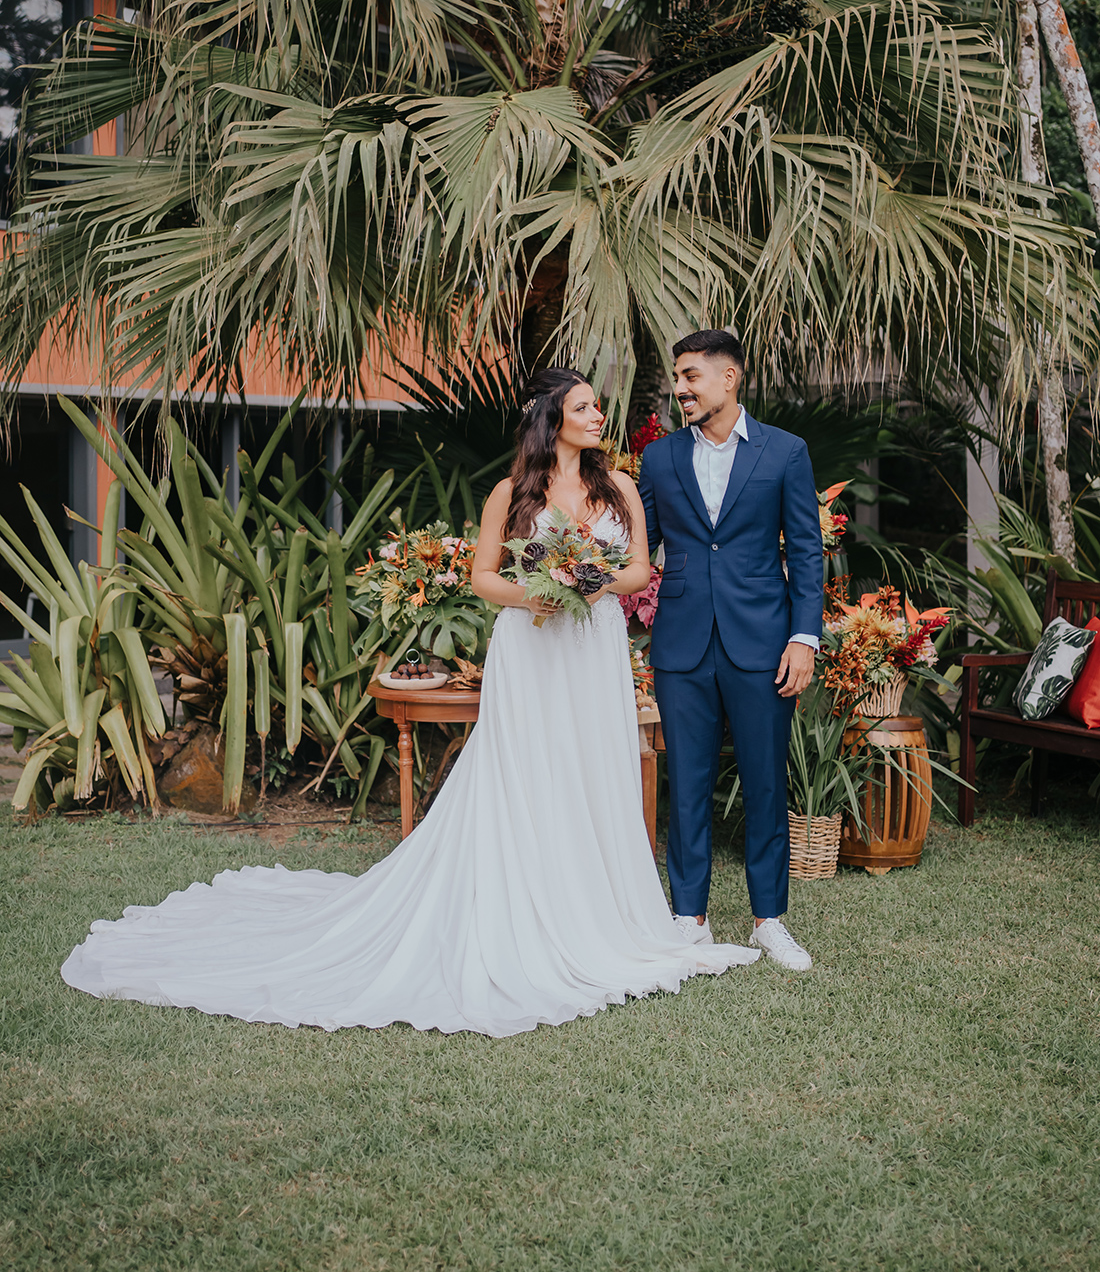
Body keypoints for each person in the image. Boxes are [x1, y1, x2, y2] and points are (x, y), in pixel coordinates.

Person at [61, 368, 760, 1038]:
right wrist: (541, 593)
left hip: (593, 646)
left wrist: (587, 584)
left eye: (596, 408)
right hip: (535, 645)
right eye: (583, 408)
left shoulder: (621, 491)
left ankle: (605, 912)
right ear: (553, 422)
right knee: (529, 769)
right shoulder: (510, 492)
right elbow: (485, 578)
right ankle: (527, 909)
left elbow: (640, 567)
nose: (597, 416)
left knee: (591, 766)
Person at [637, 330, 824, 972]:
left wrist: (804, 638)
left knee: (766, 783)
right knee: (686, 785)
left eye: (691, 376)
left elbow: (805, 550)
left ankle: (770, 921)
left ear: (730, 378)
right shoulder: (659, 460)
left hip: (764, 644)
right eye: (677, 377)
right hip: (682, 646)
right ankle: (688, 918)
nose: (680, 388)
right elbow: (643, 549)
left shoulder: (785, 452)